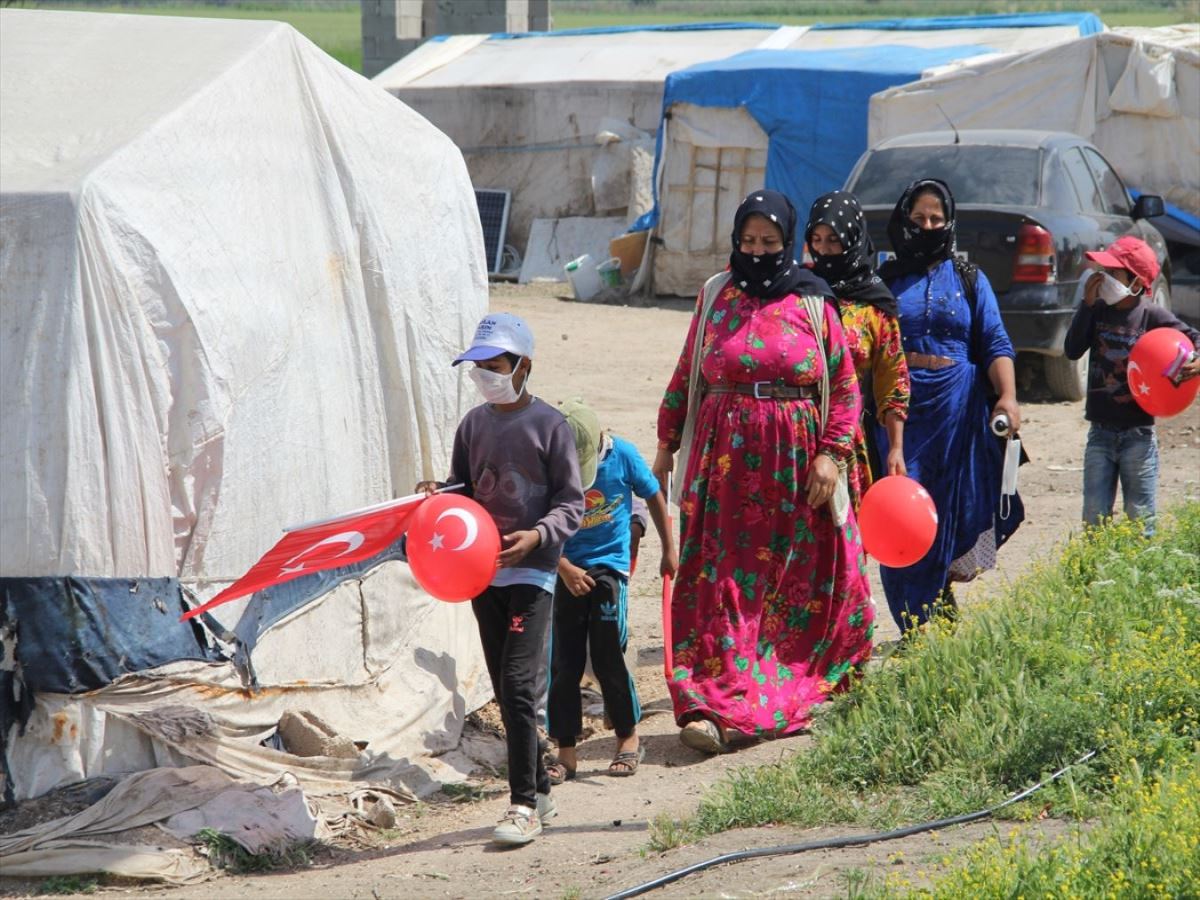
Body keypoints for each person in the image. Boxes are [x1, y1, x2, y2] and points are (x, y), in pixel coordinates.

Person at [653, 189, 875, 755]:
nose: (757, 252)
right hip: (723, 465)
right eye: (748, 242)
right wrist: (665, 444)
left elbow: (846, 387)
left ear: (787, 243)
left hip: (798, 471)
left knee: (794, 580)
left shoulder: (812, 302)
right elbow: (686, 374)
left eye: (769, 243)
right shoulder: (714, 296)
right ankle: (713, 701)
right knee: (719, 578)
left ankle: (788, 686)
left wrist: (831, 453)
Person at [417, 312, 584, 847]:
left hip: (532, 573)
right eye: (478, 366)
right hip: (482, 573)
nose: (486, 374)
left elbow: (571, 503)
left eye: (496, 365)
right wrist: (439, 497)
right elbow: (463, 491)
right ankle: (541, 789)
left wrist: (537, 537)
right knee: (504, 682)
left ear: (523, 366)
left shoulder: (551, 426)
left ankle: (521, 805)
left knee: (516, 684)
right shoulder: (473, 425)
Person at [875, 178, 1024, 631]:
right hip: (899, 410)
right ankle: (914, 623)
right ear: (904, 220)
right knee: (900, 513)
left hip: (957, 411)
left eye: (936, 219)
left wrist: (1007, 397)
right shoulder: (885, 280)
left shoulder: (969, 278)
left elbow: (995, 340)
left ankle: (932, 613)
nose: (927, 225)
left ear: (949, 222)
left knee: (947, 512)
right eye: (918, 218)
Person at [546, 400, 678, 781]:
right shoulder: (549, 462)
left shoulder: (622, 455)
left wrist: (669, 549)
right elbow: (539, 521)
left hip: (610, 568)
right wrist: (565, 568)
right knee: (564, 661)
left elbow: (653, 493)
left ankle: (628, 738)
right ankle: (566, 752)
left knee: (607, 652)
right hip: (567, 568)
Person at [1063, 235, 1200, 532]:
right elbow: (1072, 349)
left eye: (1114, 274)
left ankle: (1138, 573)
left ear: (1136, 282)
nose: (1104, 279)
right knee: (1093, 518)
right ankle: (1094, 574)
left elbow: (1195, 339)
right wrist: (1085, 307)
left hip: (1138, 435)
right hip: (1099, 433)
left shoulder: (1152, 316)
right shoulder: (1097, 311)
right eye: (1104, 272)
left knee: (1141, 518)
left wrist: (1197, 361)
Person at [805, 190, 911, 508]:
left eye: (834, 240)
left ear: (852, 239)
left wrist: (895, 447)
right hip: (795, 433)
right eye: (817, 239)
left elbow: (893, 380)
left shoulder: (874, 306)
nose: (824, 250)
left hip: (845, 438)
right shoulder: (797, 291)